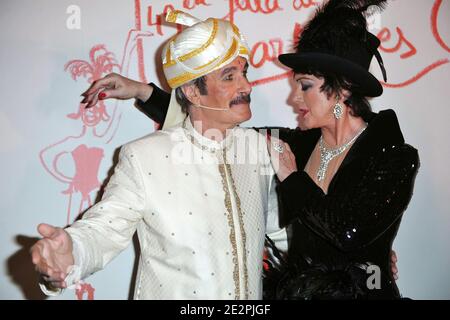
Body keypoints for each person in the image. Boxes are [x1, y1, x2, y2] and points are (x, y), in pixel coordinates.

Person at [90, 0, 417, 299]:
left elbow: (348, 232)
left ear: (342, 91)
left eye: (304, 87)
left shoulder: (394, 157)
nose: (294, 99)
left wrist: (291, 177)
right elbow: (215, 128)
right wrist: (144, 92)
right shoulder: (299, 145)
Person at [31, 10, 285, 300]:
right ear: (192, 92)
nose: (247, 86)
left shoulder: (257, 149)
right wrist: (71, 254)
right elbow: (104, 230)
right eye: (229, 77)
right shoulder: (145, 157)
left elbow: (280, 232)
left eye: (244, 73)